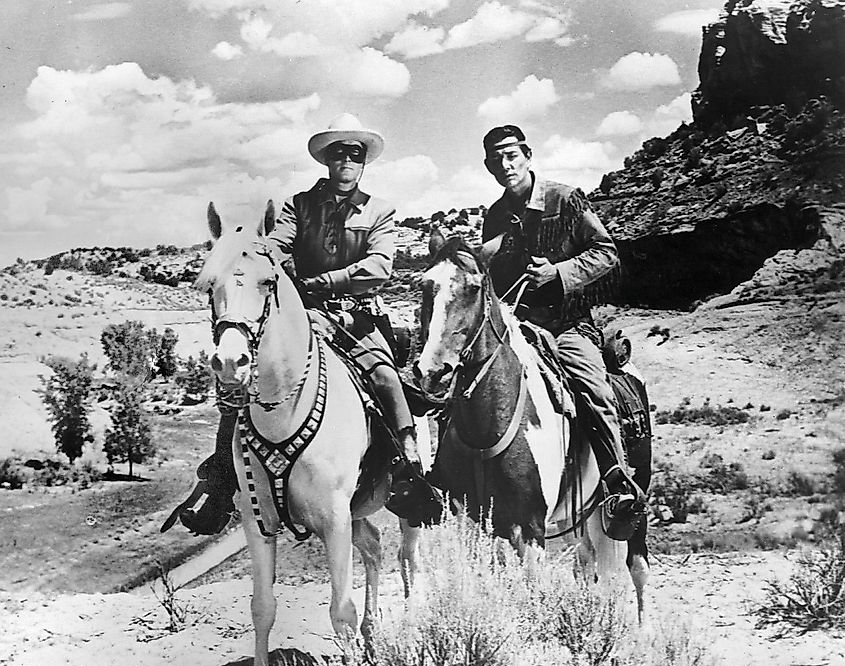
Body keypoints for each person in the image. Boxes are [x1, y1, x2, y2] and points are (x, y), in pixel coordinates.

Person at [168, 114, 440, 535]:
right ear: (327, 161)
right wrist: (247, 252)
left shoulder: (381, 212)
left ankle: (409, 466)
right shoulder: (299, 205)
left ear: (363, 162)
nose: (346, 161)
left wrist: (322, 281)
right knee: (245, 380)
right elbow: (276, 247)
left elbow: (380, 266)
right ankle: (223, 478)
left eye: (355, 154)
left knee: (385, 375)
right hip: (307, 315)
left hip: (358, 317)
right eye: (338, 154)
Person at [479, 124, 646, 541]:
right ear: (488, 167)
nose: (506, 165)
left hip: (568, 324)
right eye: (497, 159)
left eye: (512, 155)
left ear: (528, 155)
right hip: (520, 327)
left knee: (593, 387)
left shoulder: (565, 199)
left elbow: (606, 253)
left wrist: (559, 273)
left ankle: (616, 480)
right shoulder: (495, 217)